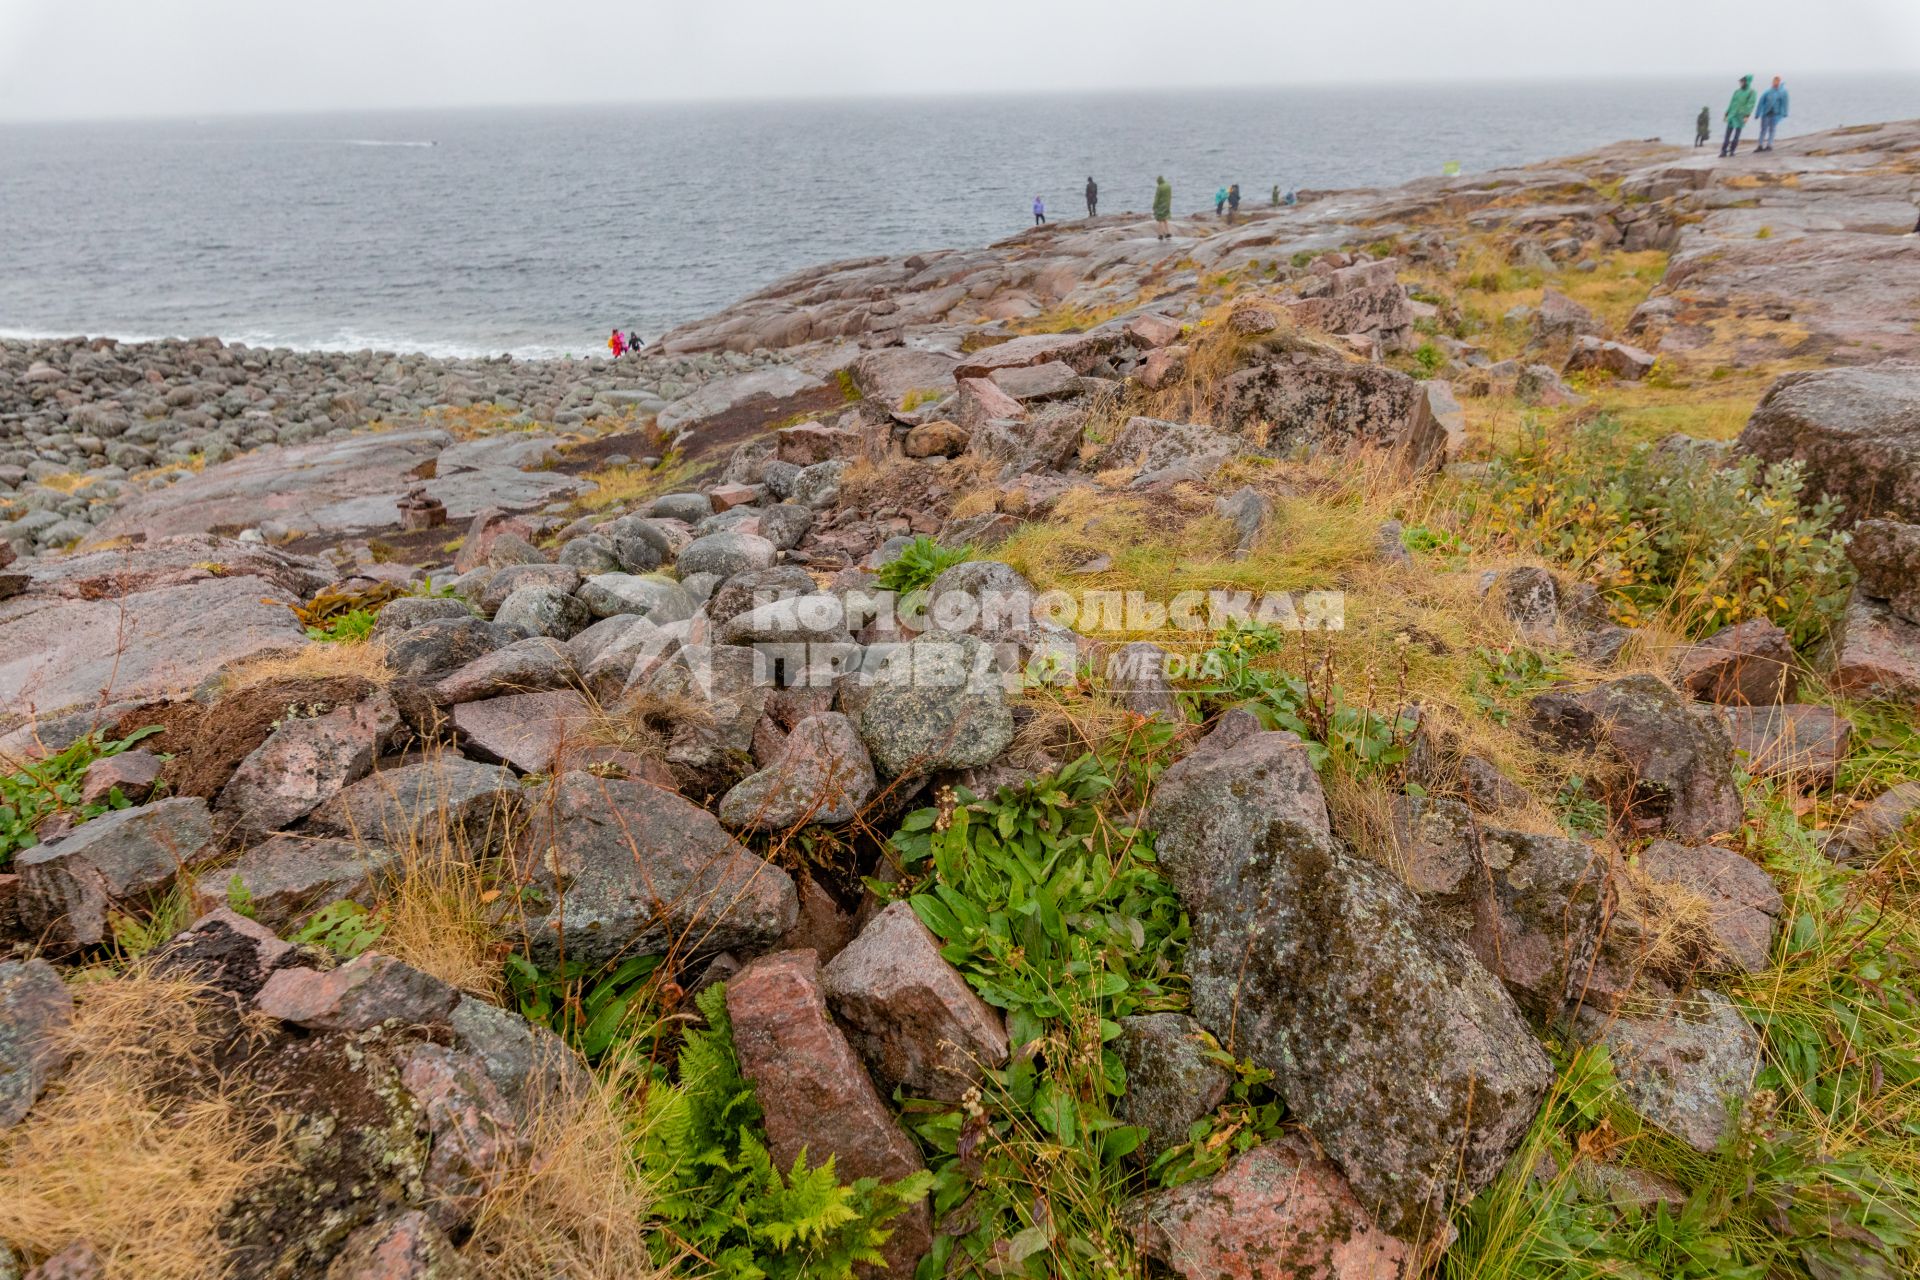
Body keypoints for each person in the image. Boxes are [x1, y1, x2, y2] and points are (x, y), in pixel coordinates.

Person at [1720, 75, 1757, 157]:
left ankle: (1732, 150)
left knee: (1736, 135)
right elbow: (1731, 103)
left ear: (1747, 82)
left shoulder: (1751, 92)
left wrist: (1747, 115)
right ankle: (1723, 151)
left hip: (1740, 116)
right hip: (1732, 115)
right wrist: (1727, 113)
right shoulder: (1737, 91)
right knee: (1727, 134)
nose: (1740, 83)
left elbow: (1750, 105)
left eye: (1742, 82)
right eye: (1740, 82)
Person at [1756, 77, 1789, 152]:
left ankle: (1769, 145)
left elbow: (1785, 103)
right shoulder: (1767, 91)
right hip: (1766, 113)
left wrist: (1785, 112)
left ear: (1779, 82)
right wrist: (1758, 113)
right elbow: (1761, 102)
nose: (1775, 83)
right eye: (1774, 81)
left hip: (1775, 114)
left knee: (1772, 129)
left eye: (1777, 81)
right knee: (1763, 129)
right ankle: (1760, 145)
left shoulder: (1782, 92)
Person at [1152, 175, 1173, 240]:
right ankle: (1168, 233)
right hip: (1167, 205)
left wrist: (1154, 206)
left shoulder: (1160, 187)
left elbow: (1157, 198)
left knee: (1160, 220)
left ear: (1159, 181)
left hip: (1161, 205)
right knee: (1165, 219)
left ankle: (1160, 235)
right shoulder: (1168, 186)